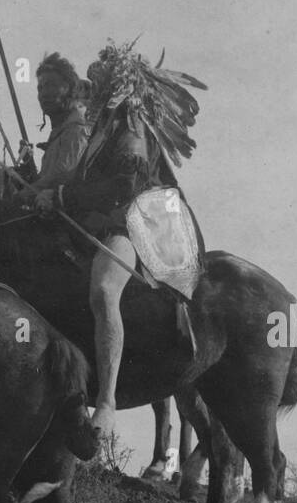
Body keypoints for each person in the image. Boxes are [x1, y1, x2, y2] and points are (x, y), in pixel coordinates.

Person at [27, 41, 205, 439]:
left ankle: (106, 402)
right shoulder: (103, 129)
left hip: (137, 224)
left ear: (120, 85)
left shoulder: (131, 125)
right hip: (105, 220)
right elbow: (80, 181)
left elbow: (126, 183)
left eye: (101, 80)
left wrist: (59, 196)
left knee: (104, 291)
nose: (93, 86)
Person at [20, 51, 91, 194]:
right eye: (40, 88)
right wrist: (29, 166)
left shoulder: (77, 129)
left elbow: (62, 176)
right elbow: (46, 179)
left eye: (51, 85)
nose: (44, 94)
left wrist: (23, 194)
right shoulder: (61, 130)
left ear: (70, 88)